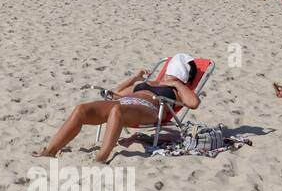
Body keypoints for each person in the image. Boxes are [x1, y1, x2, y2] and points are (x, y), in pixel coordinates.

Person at [35, 55, 201, 163]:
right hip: (124, 102)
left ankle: (100, 159)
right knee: (81, 110)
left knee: (117, 111)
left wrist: (176, 83)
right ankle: (50, 151)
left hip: (148, 109)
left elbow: (193, 103)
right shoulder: (149, 83)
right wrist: (135, 78)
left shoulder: (178, 90)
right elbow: (116, 94)